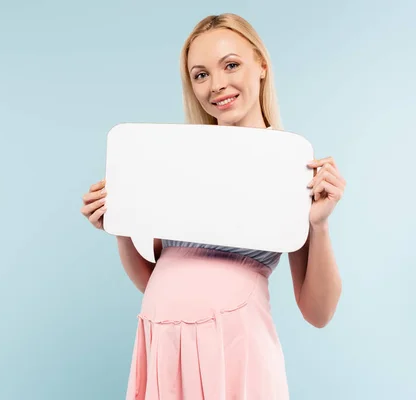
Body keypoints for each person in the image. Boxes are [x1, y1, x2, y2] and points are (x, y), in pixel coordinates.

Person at [80, 13, 345, 400]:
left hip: (235, 353)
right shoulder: (176, 160)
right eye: (200, 74)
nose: (217, 85)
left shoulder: (291, 165)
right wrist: (119, 222)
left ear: (261, 67)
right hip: (164, 349)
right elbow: (154, 279)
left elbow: (318, 313)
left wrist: (319, 226)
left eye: (231, 65)